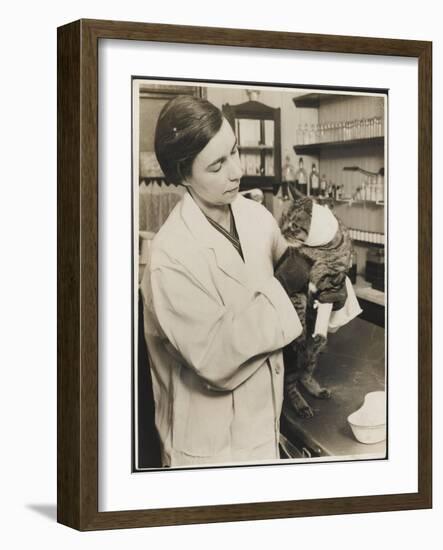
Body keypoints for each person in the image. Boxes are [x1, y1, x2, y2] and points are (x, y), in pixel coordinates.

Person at [140, 95, 344, 467]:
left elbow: (303, 274)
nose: (237, 170)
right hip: (210, 448)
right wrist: (286, 285)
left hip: (263, 422)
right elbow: (216, 359)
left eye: (234, 151)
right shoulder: (170, 256)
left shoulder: (255, 217)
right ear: (183, 174)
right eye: (218, 164)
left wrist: (326, 283)